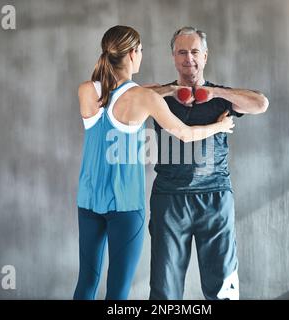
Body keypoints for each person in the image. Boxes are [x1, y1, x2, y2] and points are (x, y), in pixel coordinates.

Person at [73, 25, 235, 300]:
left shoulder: (87, 90)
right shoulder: (144, 98)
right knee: (118, 292)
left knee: (87, 281)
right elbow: (184, 134)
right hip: (125, 206)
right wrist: (220, 127)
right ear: (134, 53)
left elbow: (122, 91)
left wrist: (168, 89)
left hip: (88, 201)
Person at [146, 26, 269, 300]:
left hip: (214, 195)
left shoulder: (219, 96)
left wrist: (215, 94)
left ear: (205, 56)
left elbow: (261, 103)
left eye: (194, 52)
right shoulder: (158, 97)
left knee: (223, 288)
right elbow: (123, 96)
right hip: (169, 198)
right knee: (164, 291)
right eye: (181, 52)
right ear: (173, 57)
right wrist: (170, 90)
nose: (188, 58)